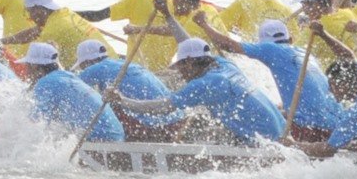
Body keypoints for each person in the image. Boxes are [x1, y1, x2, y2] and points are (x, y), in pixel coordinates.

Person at [111, 38, 287, 144]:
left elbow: (163, 107)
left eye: (180, 67)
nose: (180, 73)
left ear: (188, 61)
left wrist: (122, 101)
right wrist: (167, 15)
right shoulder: (226, 65)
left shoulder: (204, 84)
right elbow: (191, 43)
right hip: (282, 130)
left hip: (266, 142)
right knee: (201, 125)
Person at [196, 14, 341, 141]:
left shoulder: (269, 49)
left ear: (261, 43)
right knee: (275, 109)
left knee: (253, 124)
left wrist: (204, 24)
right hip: (337, 124)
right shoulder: (304, 52)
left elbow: (229, 46)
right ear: (290, 39)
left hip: (311, 129)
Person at [77, 0, 179, 74]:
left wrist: (69, 13)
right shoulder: (170, 2)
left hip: (139, 69)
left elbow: (97, 16)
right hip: (164, 68)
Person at [24, 42, 124, 139]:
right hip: (117, 135)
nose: (25, 69)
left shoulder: (45, 83)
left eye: (26, 64)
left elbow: (36, 124)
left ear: (34, 66)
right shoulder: (68, 76)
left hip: (101, 140)